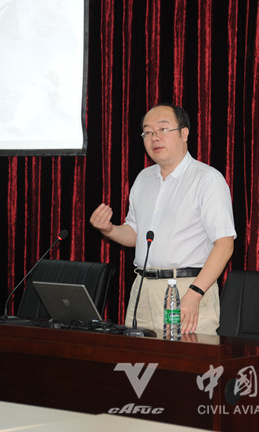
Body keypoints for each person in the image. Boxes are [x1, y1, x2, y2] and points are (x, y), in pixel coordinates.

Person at [90, 103, 236, 335]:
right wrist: (109, 229)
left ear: (184, 133)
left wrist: (195, 293)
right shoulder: (144, 178)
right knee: (137, 357)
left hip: (186, 289)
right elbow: (135, 235)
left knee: (184, 357)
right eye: (148, 132)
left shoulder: (207, 179)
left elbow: (225, 244)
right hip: (142, 290)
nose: (154, 137)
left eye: (163, 129)